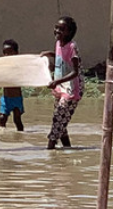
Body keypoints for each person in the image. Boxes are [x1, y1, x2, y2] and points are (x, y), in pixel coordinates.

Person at [41, 16, 83, 150]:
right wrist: (51, 54)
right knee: (60, 120)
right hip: (61, 88)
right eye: (56, 28)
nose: (57, 31)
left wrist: (56, 81)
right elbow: (62, 58)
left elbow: (75, 72)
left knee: (57, 120)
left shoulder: (72, 47)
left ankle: (50, 150)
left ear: (69, 32)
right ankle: (67, 149)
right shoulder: (59, 43)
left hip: (71, 90)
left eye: (61, 29)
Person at [0, 39, 25, 131]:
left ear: (16, 53)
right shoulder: (2, 66)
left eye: (10, 52)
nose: (7, 55)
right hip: (6, 98)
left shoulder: (19, 66)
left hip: (17, 99)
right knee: (2, 118)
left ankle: (21, 134)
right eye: (5, 52)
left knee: (17, 120)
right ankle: (1, 135)